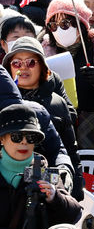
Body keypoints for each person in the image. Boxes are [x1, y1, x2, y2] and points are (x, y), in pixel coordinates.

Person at [0, 104, 82, 229]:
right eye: (17, 136)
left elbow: (74, 214)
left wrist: (54, 197)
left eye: (31, 137)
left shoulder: (43, 171)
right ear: (1, 139)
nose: (24, 142)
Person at [42, 0, 94, 152]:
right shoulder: (43, 51)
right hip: (59, 126)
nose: (59, 30)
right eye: (53, 25)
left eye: (65, 24)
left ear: (81, 24)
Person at [2, 37, 81, 182]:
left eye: (31, 62)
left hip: (50, 186)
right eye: (16, 63)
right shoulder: (4, 103)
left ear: (43, 67)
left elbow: (68, 149)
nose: (23, 67)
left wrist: (72, 181)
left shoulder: (57, 103)